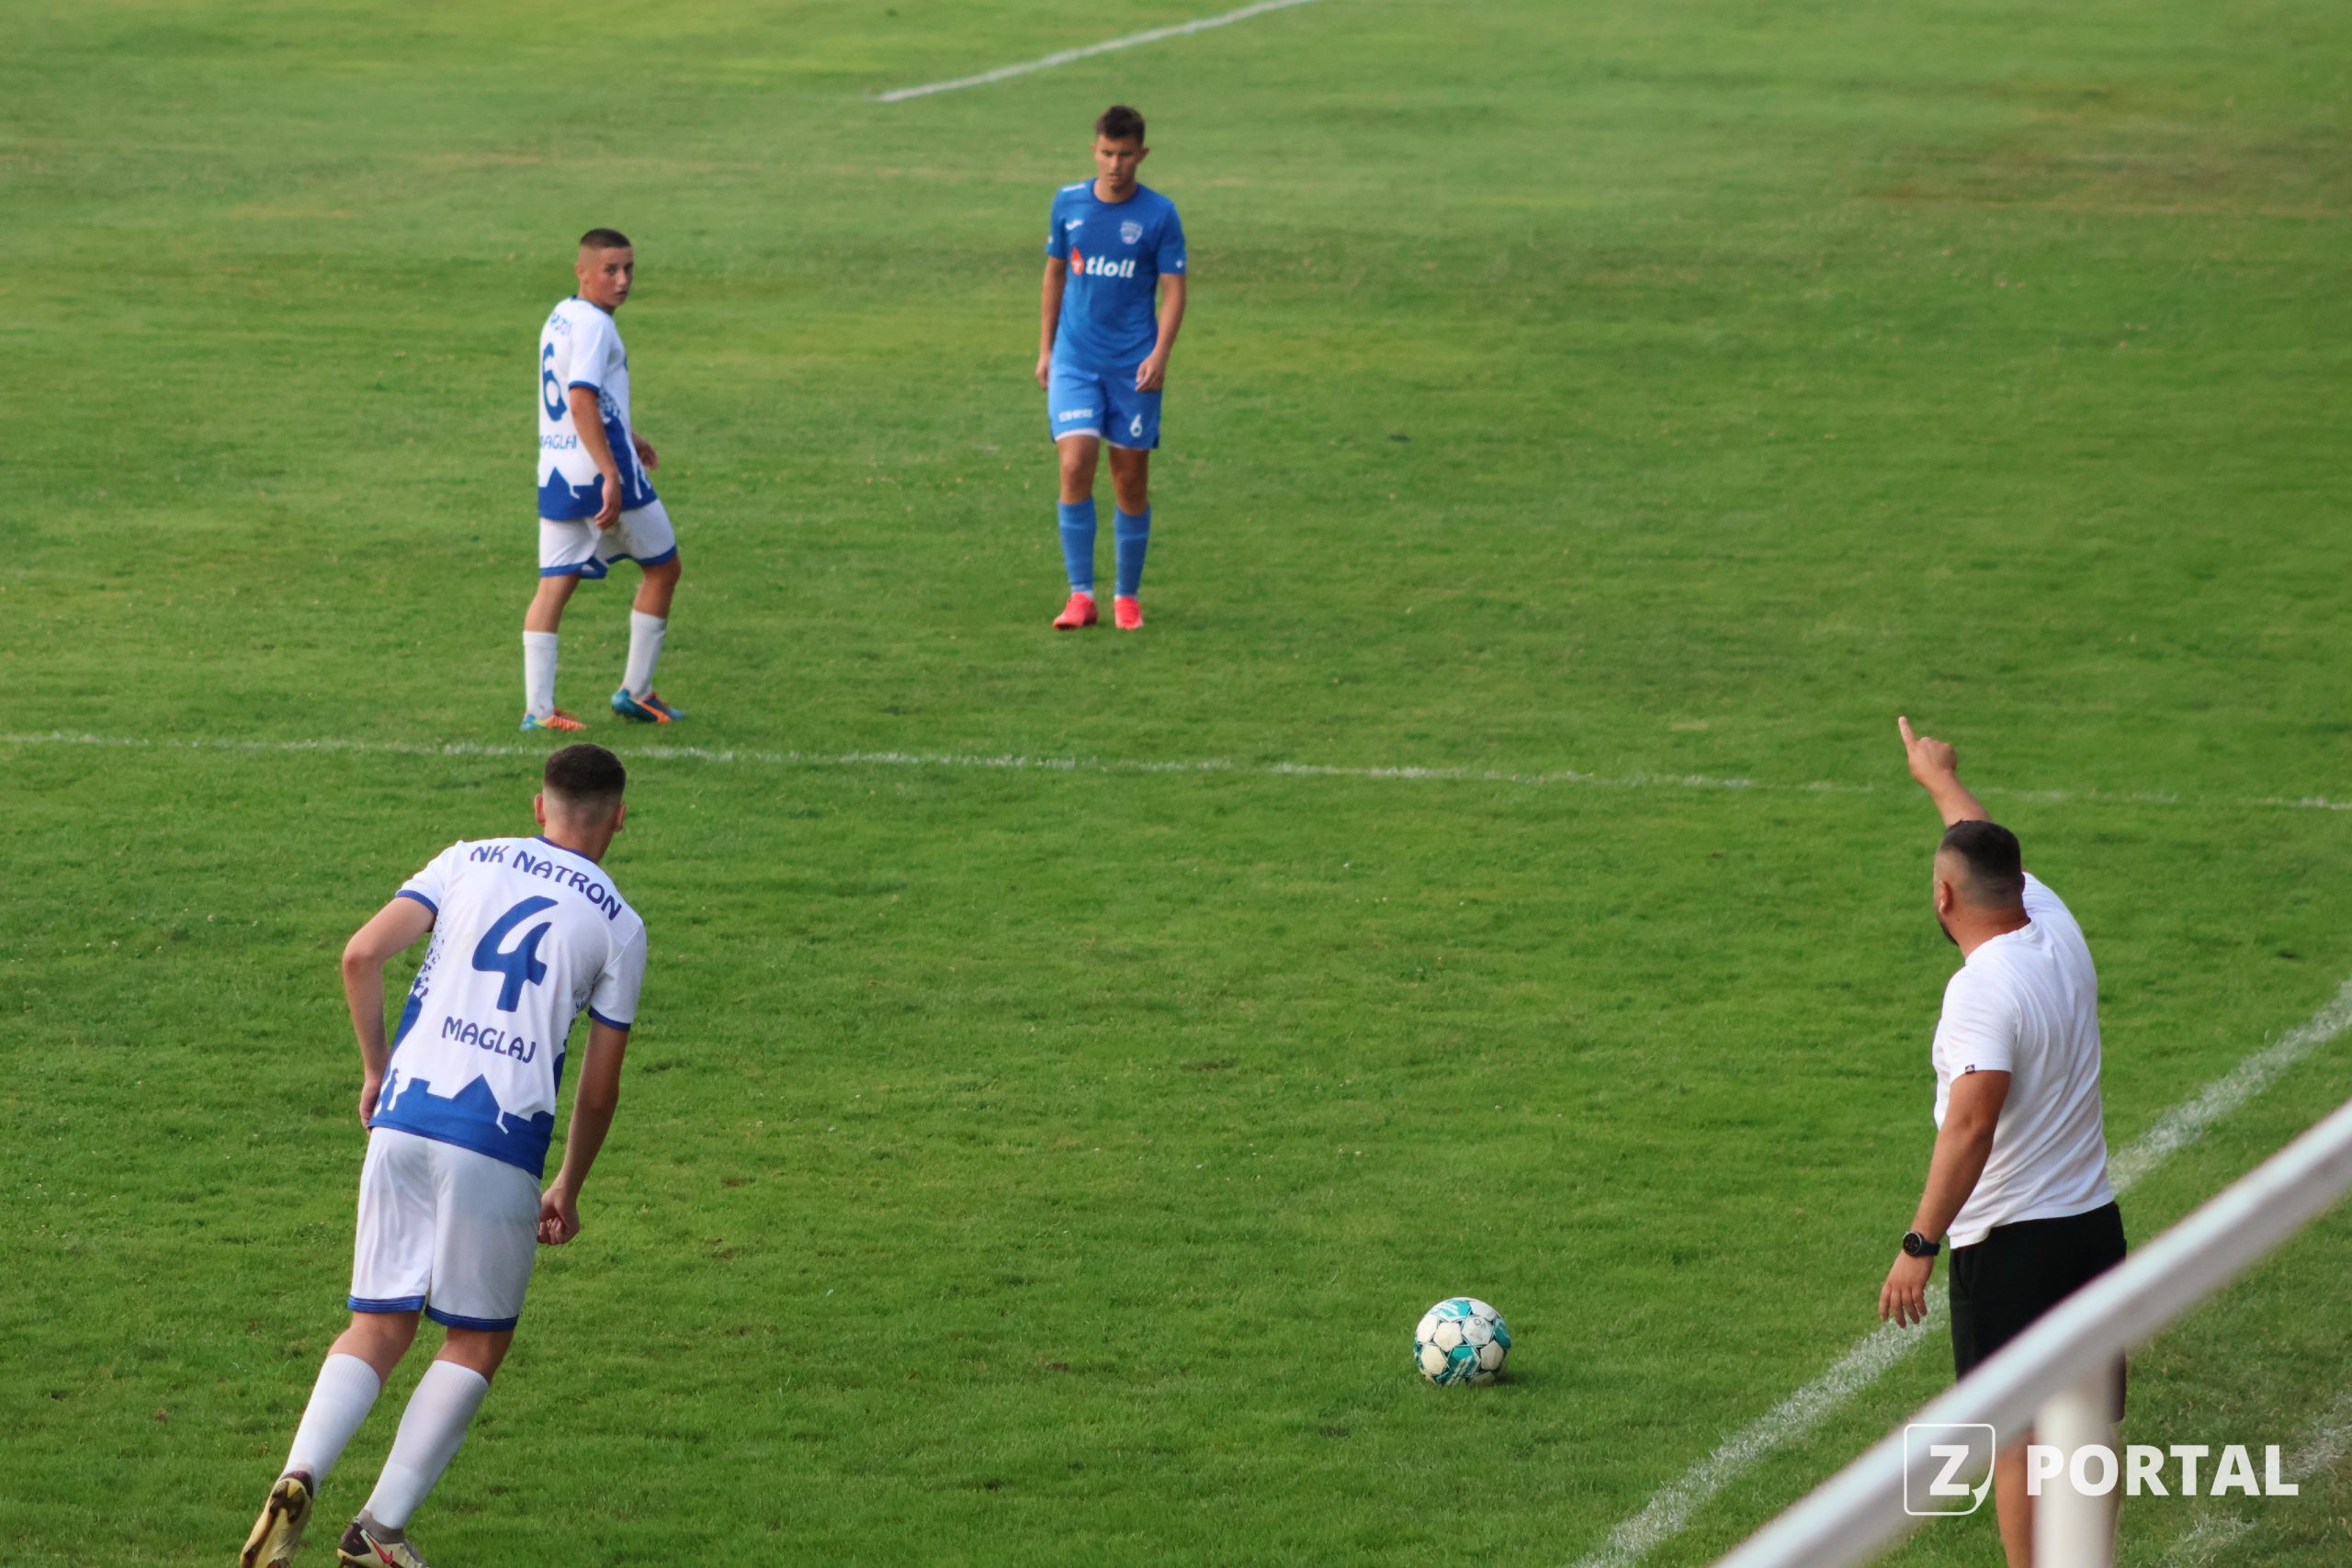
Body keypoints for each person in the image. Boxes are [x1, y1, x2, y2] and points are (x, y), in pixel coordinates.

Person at [240, 744, 647, 1568]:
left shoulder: (466, 859)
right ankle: (377, 1531)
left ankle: (300, 1470)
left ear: (539, 807)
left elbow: (360, 954)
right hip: (498, 1136)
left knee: (378, 1321)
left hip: (404, 1115)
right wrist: (569, 1183)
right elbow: (600, 1089)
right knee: (475, 1339)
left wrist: (376, 1070)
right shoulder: (619, 923)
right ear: (619, 819)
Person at [1879, 716, 2127, 1568]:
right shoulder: (2054, 923)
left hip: (2012, 1242)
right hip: (2091, 1226)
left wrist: (1920, 1242)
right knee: (2084, 1429)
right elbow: (1977, 836)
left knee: (2017, 1435)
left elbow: (1972, 1124)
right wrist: (1937, 777)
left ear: (1944, 900)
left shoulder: (1980, 989)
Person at [523, 228, 684, 730]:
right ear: (583, 271)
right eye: (610, 270)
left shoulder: (562, 314)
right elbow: (580, 398)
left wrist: (629, 433)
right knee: (663, 569)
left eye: (628, 269)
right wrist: (612, 471)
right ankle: (636, 693)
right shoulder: (596, 325)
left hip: (557, 471)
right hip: (601, 473)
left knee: (554, 584)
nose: (622, 280)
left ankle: (538, 712)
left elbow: (579, 399)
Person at [1036, 104, 1188, 631]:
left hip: (1133, 367)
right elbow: (1055, 275)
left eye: (1124, 155)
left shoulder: (1159, 214)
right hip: (1076, 360)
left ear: (1142, 154)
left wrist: (1160, 354)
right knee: (1075, 464)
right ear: (1094, 150)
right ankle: (1081, 595)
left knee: (1129, 481)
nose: (1115, 165)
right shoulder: (1068, 203)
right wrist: (1046, 349)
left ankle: (1126, 596)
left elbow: (1174, 290)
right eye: (1106, 153)